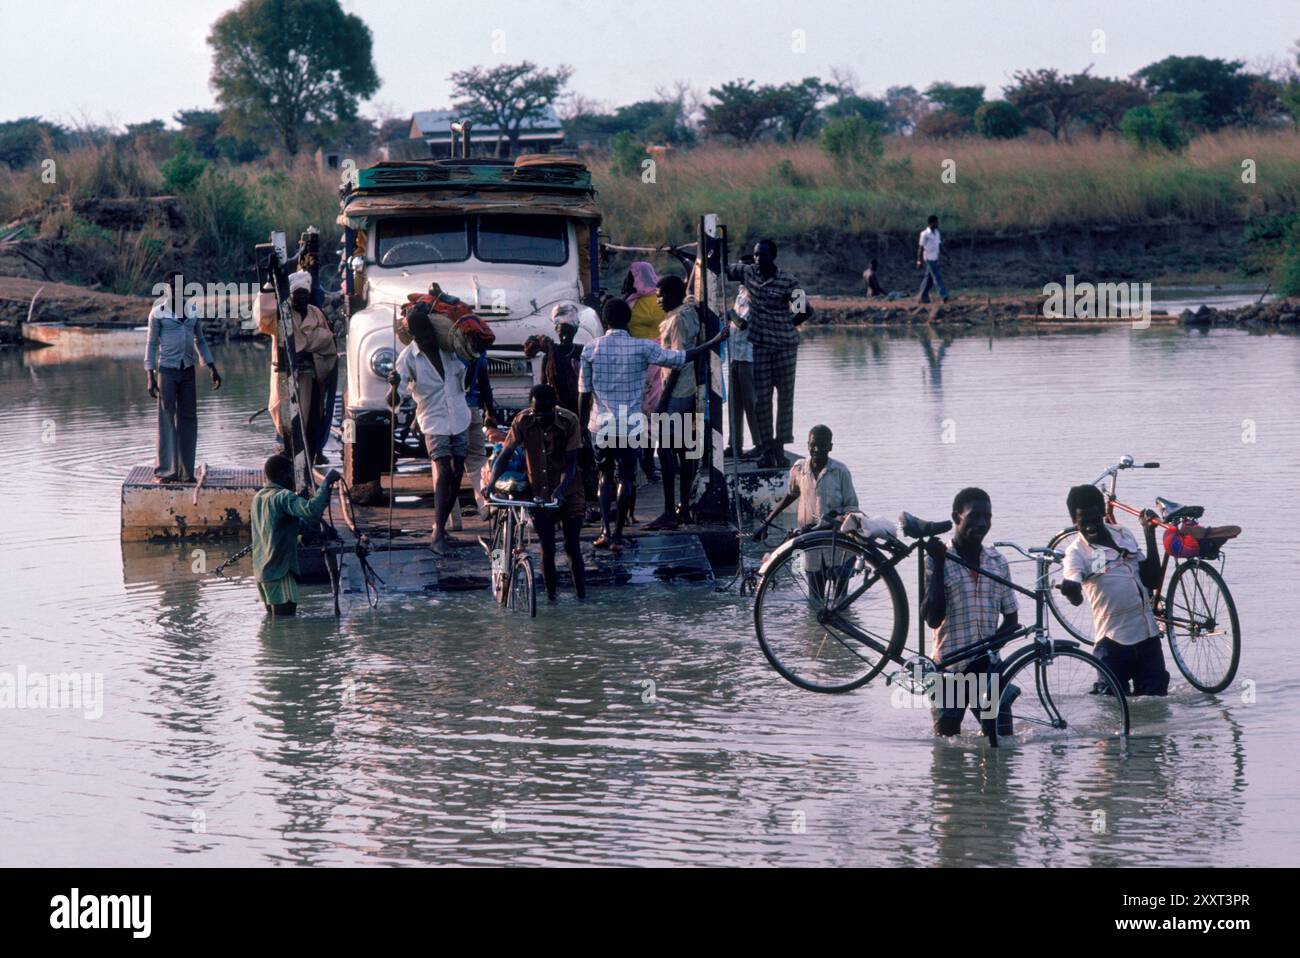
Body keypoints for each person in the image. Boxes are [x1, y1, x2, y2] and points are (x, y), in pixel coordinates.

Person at [579, 298, 726, 553]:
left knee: (605, 476)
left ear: (605, 322)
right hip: (630, 424)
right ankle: (617, 535)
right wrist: (713, 342)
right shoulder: (642, 348)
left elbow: (584, 393)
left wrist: (581, 427)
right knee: (625, 476)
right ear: (628, 321)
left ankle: (604, 531)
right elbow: (680, 357)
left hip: (600, 424)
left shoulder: (590, 349)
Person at [921, 488, 1018, 740]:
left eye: (987, 517)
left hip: (987, 668)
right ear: (956, 517)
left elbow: (1011, 620)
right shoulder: (936, 559)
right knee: (947, 753)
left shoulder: (998, 562)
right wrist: (940, 564)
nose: (982, 524)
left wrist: (986, 651)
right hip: (948, 670)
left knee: (1004, 743)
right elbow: (933, 618)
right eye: (974, 516)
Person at [1059, 484, 1170, 696]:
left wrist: (1149, 533)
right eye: (1084, 522)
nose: (1091, 526)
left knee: (1156, 705)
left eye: (1095, 519)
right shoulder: (1076, 552)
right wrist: (1071, 589)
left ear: (1102, 513)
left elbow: (1152, 579)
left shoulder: (1123, 534)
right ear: (1074, 521)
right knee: (1112, 709)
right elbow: (1073, 586)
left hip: (1148, 637)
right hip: (1112, 645)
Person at [489, 384, 587, 602]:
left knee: (572, 546)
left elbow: (571, 465)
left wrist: (561, 490)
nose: (539, 419)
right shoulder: (522, 420)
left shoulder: (569, 421)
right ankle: (551, 598)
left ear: (554, 408)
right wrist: (490, 484)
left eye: (544, 414)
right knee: (547, 548)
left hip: (569, 491)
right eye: (536, 414)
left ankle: (582, 597)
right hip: (539, 494)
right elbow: (505, 455)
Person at [388, 304, 471, 555]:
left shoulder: (450, 348)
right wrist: (393, 386)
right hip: (433, 420)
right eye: (417, 335)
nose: (422, 339)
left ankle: (441, 527)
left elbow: (471, 365)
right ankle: (437, 536)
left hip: (459, 415)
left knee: (457, 473)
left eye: (426, 333)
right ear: (411, 335)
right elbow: (394, 401)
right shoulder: (407, 358)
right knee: (444, 470)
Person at [725, 240, 810, 469]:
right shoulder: (749, 274)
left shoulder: (788, 281)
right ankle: (766, 449)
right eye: (755, 255)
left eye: (762, 255)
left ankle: (779, 449)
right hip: (761, 347)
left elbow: (805, 310)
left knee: (784, 399)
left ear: (773, 256)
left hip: (784, 348)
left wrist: (784, 326)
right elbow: (724, 268)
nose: (757, 259)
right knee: (762, 400)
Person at [144, 271, 221, 483]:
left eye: (181, 287)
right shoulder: (158, 313)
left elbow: (201, 341)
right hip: (167, 371)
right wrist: (150, 375)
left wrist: (212, 366)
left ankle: (187, 472)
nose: (177, 291)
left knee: (188, 418)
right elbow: (151, 345)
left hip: (188, 371)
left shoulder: (192, 311)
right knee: (167, 418)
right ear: (167, 290)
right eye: (173, 287)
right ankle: (166, 471)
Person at [250, 455, 341, 616]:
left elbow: (276, 528)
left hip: (262, 572)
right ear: (283, 475)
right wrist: (326, 483)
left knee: (274, 624)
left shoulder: (258, 498)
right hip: (280, 571)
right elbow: (311, 511)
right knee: (286, 624)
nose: (293, 478)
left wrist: (307, 535)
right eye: (292, 473)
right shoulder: (283, 496)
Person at [645, 274, 702, 530]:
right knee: (684, 452)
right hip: (686, 392)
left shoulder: (678, 319)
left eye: (661, 295)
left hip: (677, 393)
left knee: (666, 451)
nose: (657, 300)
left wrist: (663, 400)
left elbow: (678, 361)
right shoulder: (687, 311)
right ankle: (684, 508)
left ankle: (670, 510)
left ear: (674, 296)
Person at [268, 271, 337, 465]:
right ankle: (289, 457)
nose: (301, 297)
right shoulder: (282, 314)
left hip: (312, 375)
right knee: (287, 418)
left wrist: (304, 346)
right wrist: (309, 342)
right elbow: (266, 320)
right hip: (287, 376)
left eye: (304, 293)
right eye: (297, 294)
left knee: (314, 416)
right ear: (290, 294)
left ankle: (312, 455)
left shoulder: (316, 313)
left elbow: (327, 340)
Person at [624, 260, 664, 484]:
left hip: (637, 365)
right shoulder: (661, 300)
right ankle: (651, 462)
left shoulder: (629, 303)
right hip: (660, 363)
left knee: (637, 416)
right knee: (656, 414)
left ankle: (640, 462)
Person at [723, 285, 761, 460]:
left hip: (749, 357)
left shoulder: (757, 295)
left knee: (751, 404)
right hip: (736, 357)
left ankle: (760, 444)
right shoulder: (741, 294)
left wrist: (729, 313)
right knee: (734, 403)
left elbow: (742, 324)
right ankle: (735, 444)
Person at [916, 215, 950, 304]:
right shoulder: (924, 234)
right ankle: (944, 295)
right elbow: (921, 248)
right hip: (928, 258)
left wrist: (946, 255)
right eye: (936, 222)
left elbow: (939, 245)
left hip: (935, 258)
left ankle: (922, 297)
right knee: (937, 277)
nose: (938, 224)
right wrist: (919, 261)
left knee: (928, 279)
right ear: (931, 223)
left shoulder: (937, 232)